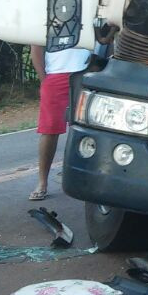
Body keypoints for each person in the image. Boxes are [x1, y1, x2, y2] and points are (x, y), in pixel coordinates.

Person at [29, 43, 91, 201]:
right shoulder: (46, 18)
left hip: (85, 74)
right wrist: (44, 79)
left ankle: (84, 180)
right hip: (56, 75)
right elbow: (36, 48)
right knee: (49, 130)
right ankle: (42, 182)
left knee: (85, 130)